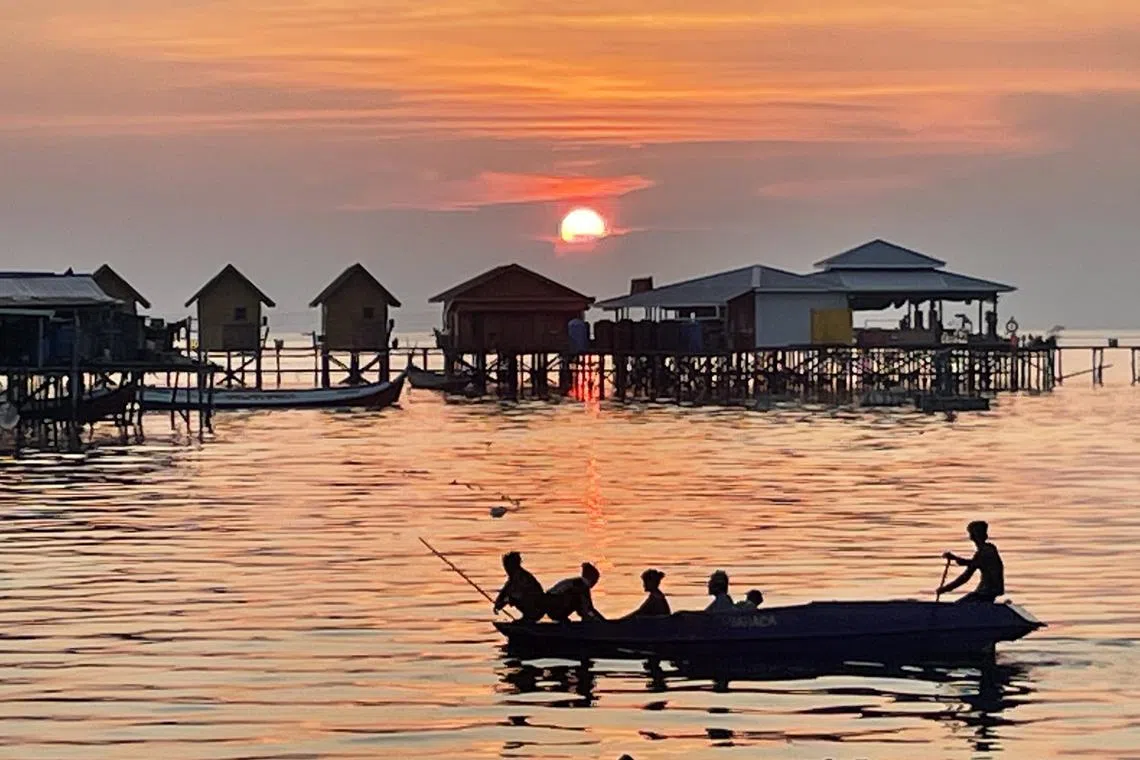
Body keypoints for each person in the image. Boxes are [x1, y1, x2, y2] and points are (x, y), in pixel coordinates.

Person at [937, 520, 1005, 603]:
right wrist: (956, 559)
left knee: (959, 606)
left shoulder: (987, 551)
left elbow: (966, 575)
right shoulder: (986, 550)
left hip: (986, 593)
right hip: (985, 592)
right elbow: (971, 567)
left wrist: (945, 589)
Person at [493, 551, 545, 621]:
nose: (506, 568)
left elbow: (515, 596)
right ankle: (526, 618)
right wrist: (497, 603)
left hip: (537, 609)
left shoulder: (522, 578)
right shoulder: (512, 578)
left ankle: (528, 618)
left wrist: (503, 603)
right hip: (531, 606)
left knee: (512, 598)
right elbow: (504, 591)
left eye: (507, 565)